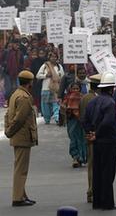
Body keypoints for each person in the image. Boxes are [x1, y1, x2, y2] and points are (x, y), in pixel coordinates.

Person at [82, 71, 116, 210]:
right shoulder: (110, 102)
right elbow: (108, 122)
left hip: (96, 141)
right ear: (111, 88)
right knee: (108, 172)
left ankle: (97, 201)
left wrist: (90, 133)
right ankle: (107, 202)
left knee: (97, 171)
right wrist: (97, 134)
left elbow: (85, 120)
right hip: (108, 140)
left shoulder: (92, 101)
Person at [4, 70, 38, 207]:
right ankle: (18, 198)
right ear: (30, 82)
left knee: (20, 167)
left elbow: (8, 115)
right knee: (21, 169)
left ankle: (21, 195)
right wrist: (9, 131)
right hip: (23, 136)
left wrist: (8, 129)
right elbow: (19, 119)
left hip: (18, 136)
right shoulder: (24, 97)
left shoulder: (15, 94)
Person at [79, 74, 101, 204]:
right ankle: (93, 191)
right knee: (95, 164)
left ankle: (91, 191)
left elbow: (82, 118)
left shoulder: (85, 98)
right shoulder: (96, 99)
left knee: (91, 165)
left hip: (89, 134)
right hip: (96, 134)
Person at [61, 82, 86, 168]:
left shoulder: (83, 97)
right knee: (73, 139)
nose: (75, 91)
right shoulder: (67, 98)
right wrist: (67, 109)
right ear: (70, 89)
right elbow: (63, 107)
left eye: (77, 89)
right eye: (73, 89)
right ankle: (75, 157)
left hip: (81, 122)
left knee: (82, 139)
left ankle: (81, 157)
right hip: (72, 121)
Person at [36, 52, 64, 124]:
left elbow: (63, 77)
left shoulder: (59, 66)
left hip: (56, 88)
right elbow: (38, 75)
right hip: (46, 88)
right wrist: (46, 75)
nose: (53, 58)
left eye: (55, 57)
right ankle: (47, 119)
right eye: (52, 57)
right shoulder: (45, 66)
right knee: (45, 105)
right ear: (49, 58)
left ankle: (57, 118)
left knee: (56, 104)